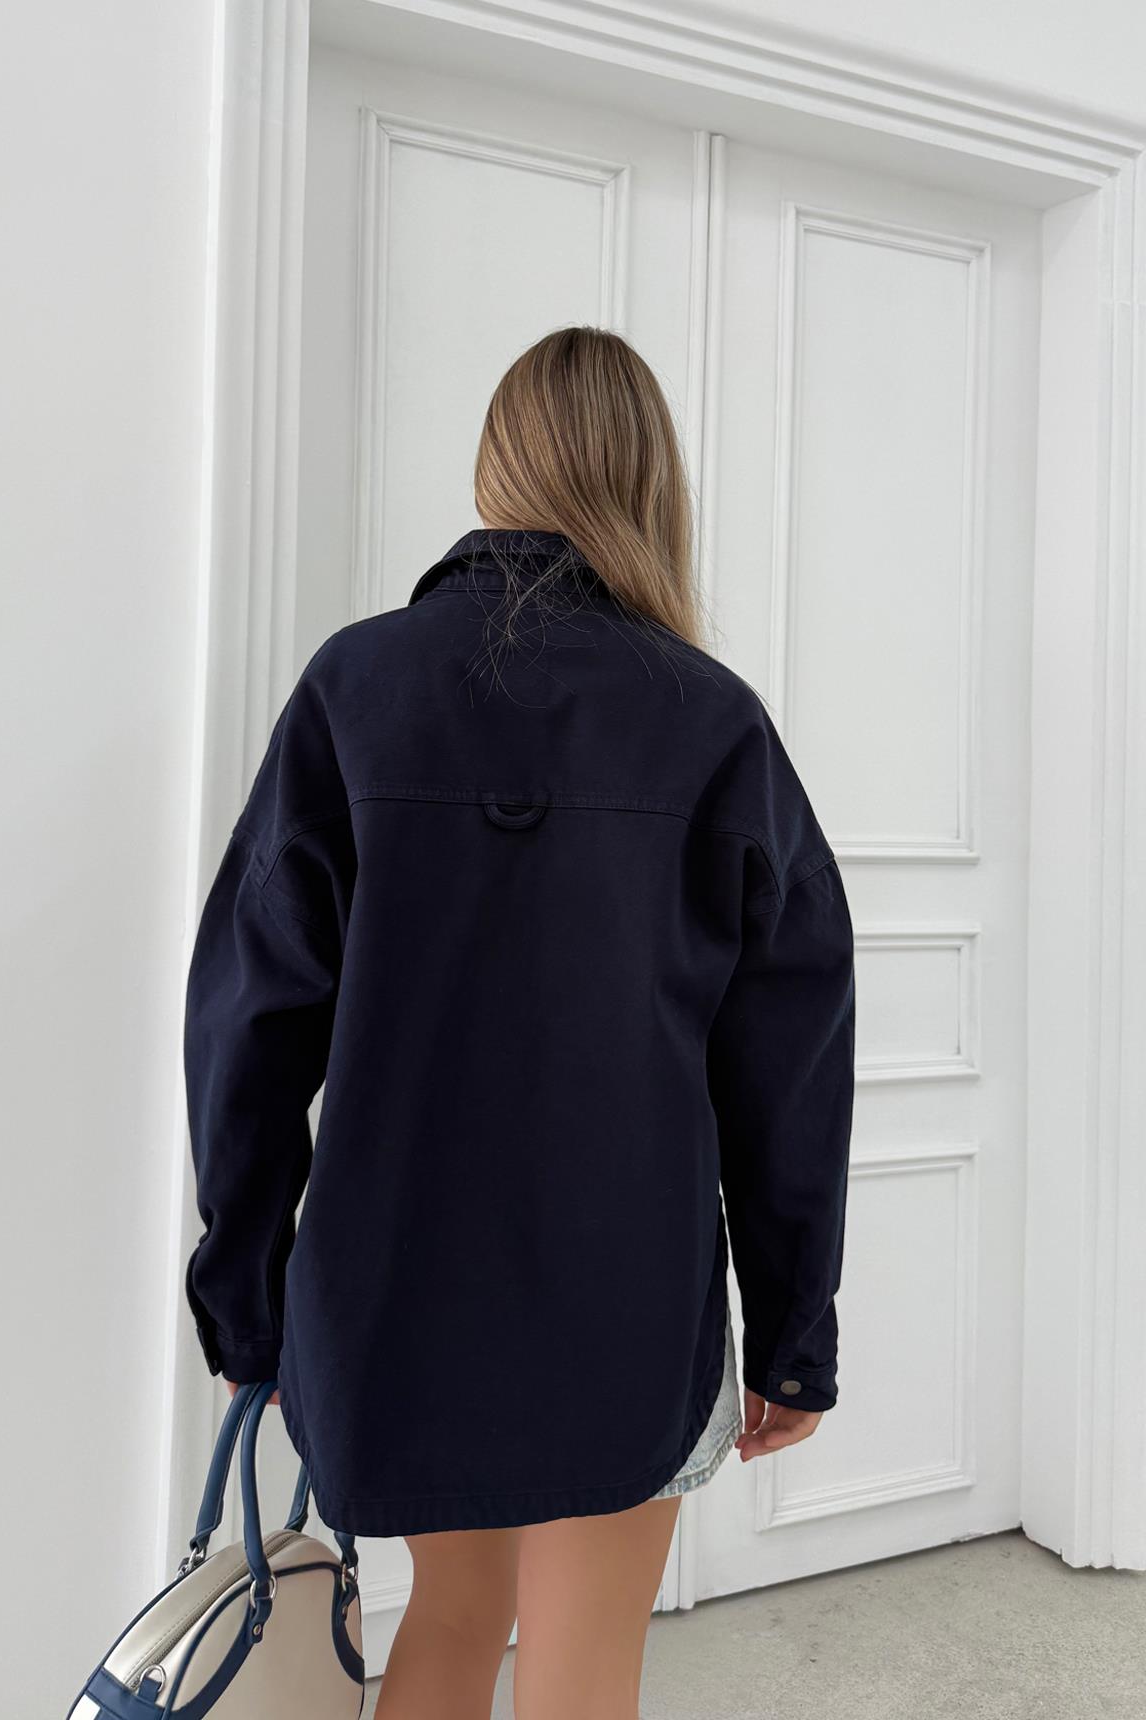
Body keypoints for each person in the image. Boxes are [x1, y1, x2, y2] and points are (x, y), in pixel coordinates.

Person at [182, 325, 857, 1720]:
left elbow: (249, 1026)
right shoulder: (712, 722)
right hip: (627, 1304)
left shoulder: (356, 689)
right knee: (580, 1671)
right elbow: (788, 1063)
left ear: (496, 470)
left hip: (396, 1292)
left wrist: (248, 1298)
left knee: (448, 1620)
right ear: (649, 484)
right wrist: (795, 1329)